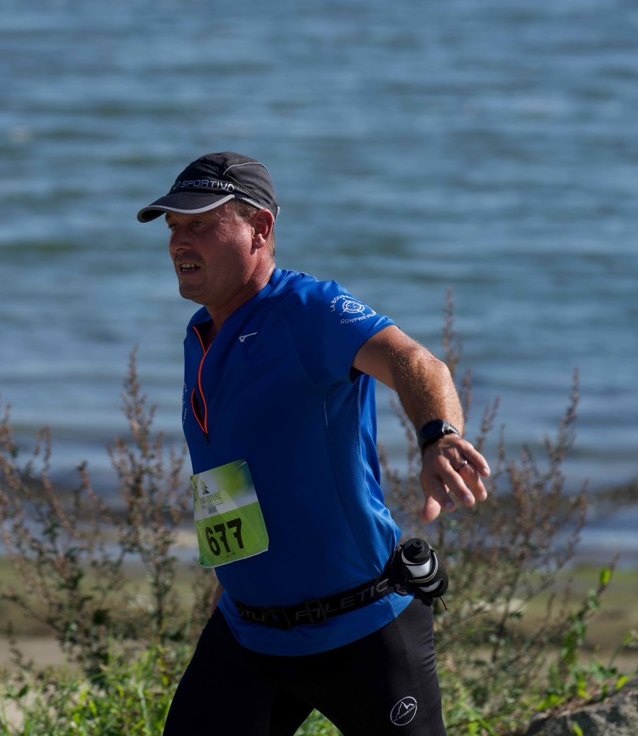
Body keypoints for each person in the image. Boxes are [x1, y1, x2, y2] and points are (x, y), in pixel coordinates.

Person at [137, 152, 491, 735]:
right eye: (174, 226)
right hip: (249, 632)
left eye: (199, 224)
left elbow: (415, 362)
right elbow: (231, 474)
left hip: (364, 628)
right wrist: (238, 578)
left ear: (260, 228)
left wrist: (439, 436)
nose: (179, 241)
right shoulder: (200, 337)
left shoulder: (307, 311)